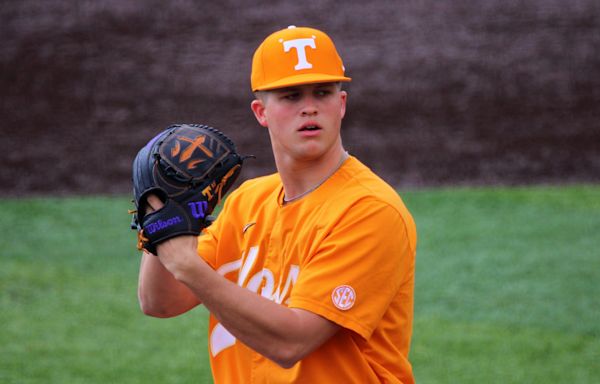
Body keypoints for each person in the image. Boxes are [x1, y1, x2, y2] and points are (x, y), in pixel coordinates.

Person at [138, 25, 417, 383]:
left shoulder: (369, 210)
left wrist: (187, 265)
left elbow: (292, 341)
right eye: (291, 96)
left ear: (341, 104)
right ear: (261, 111)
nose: (310, 108)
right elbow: (160, 303)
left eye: (323, 92)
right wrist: (161, 217)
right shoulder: (246, 203)